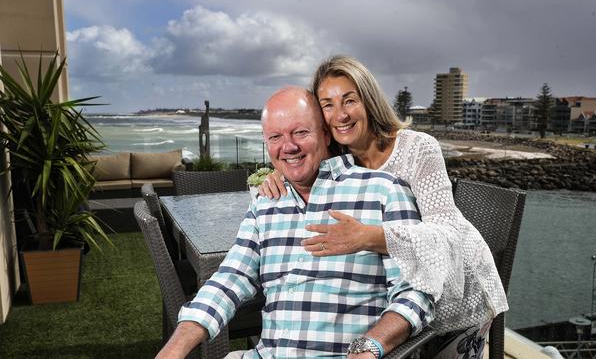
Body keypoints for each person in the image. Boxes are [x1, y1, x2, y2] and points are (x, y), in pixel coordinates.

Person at [156, 87, 434, 359]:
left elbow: (416, 291)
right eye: (275, 136)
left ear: (325, 135)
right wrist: (173, 349)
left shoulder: (383, 191)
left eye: (300, 132)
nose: (288, 146)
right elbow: (231, 278)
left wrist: (369, 347)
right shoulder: (266, 202)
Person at [259, 56, 507, 358]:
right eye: (327, 105)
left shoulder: (417, 148)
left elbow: (447, 234)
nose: (340, 115)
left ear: (369, 100)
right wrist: (278, 175)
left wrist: (369, 237)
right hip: (400, 294)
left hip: (455, 287)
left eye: (349, 100)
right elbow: (296, 159)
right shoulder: (333, 160)